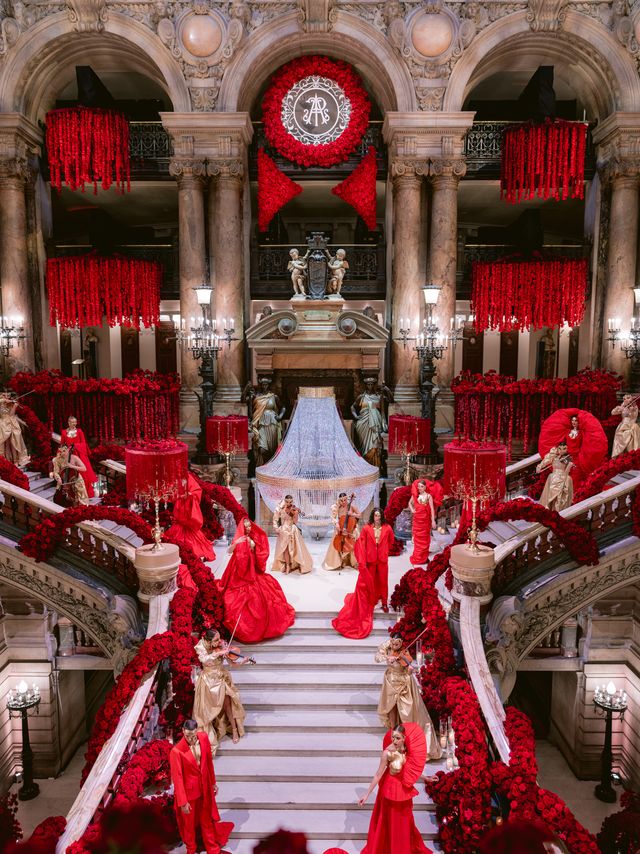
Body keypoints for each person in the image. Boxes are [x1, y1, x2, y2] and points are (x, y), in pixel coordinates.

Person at [358, 723, 431, 854]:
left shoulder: (407, 751)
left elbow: (410, 770)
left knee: (404, 822)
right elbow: (378, 774)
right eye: (393, 737)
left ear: (404, 738)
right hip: (390, 790)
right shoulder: (387, 753)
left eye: (397, 738)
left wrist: (426, 778)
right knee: (389, 822)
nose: (394, 741)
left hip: (404, 789)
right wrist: (367, 794)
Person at [220, 517, 295, 643]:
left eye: (249, 525)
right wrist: (237, 543)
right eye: (246, 526)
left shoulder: (252, 538)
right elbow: (229, 551)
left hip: (251, 570)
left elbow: (258, 553)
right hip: (238, 571)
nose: (249, 528)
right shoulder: (239, 538)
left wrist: (255, 547)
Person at [169, 719, 233, 854]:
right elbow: (177, 778)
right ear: (183, 731)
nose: (191, 739)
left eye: (193, 735)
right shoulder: (176, 752)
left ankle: (213, 849)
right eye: (187, 736)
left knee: (207, 821)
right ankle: (191, 850)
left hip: (204, 788)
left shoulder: (203, 738)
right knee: (189, 826)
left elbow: (208, 762)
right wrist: (183, 802)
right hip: (188, 795)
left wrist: (213, 782)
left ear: (197, 731)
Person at [375, 634, 440, 760]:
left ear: (401, 643)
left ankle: (409, 740)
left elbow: (408, 665)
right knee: (391, 708)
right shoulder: (387, 646)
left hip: (404, 683)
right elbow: (377, 657)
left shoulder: (404, 651)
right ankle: (393, 736)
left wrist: (411, 669)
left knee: (407, 712)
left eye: (398, 644)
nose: (395, 646)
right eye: (393, 643)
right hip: (390, 681)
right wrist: (387, 657)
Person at [193, 629, 248, 749]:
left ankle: (234, 730)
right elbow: (204, 659)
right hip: (208, 682)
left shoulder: (221, 646)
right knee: (207, 710)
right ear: (208, 640)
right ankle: (213, 732)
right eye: (216, 640)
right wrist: (218, 653)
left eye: (219, 638)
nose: (220, 642)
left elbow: (233, 664)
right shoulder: (200, 646)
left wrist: (242, 662)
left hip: (221, 679)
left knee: (228, 705)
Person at [165, 472, 216, 561]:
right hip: (179, 506)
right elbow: (168, 494)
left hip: (187, 506)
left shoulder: (187, 476)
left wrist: (189, 495)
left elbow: (196, 490)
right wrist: (177, 496)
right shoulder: (171, 476)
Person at [356, 508, 394, 612]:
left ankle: (385, 602)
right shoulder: (366, 528)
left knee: (383, 581)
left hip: (382, 559)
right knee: (370, 581)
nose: (378, 517)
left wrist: (385, 551)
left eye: (379, 515)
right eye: (376, 515)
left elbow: (391, 541)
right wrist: (363, 558)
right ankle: (371, 601)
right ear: (373, 516)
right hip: (370, 559)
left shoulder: (387, 528)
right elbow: (362, 544)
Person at [242, 377, 285, 466]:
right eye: (262, 384)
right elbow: (243, 400)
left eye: (266, 384)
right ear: (260, 385)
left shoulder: (273, 396)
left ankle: (271, 467)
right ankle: (261, 466)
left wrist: (280, 416)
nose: (264, 386)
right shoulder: (256, 396)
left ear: (268, 385)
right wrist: (246, 389)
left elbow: (283, 407)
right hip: (260, 423)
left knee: (273, 449)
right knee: (262, 448)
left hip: (273, 423)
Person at [351, 379, 393, 469]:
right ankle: (364, 466)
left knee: (375, 444)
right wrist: (355, 416)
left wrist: (387, 389)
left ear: (374, 385)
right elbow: (353, 407)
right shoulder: (361, 397)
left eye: (372, 384)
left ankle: (375, 467)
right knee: (363, 446)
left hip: (375, 424)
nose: (370, 386)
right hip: (363, 424)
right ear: (365, 385)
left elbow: (391, 400)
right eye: (368, 384)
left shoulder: (379, 397)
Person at [272, 495, 313, 574]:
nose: (289, 504)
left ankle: (293, 564)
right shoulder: (280, 508)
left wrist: (296, 514)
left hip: (292, 529)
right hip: (284, 530)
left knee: (295, 548)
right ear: (284, 500)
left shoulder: (294, 509)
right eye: (287, 502)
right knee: (285, 549)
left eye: (290, 502)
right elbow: (275, 518)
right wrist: (276, 528)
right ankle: (287, 565)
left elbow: (295, 522)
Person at [60, 415, 96, 498]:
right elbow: (62, 445)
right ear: (68, 423)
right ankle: (72, 493)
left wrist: (75, 446)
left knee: (83, 473)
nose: (74, 424)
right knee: (70, 473)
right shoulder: (64, 432)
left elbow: (84, 444)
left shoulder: (79, 431)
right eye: (72, 422)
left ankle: (85, 494)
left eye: (75, 422)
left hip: (79, 454)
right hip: (70, 455)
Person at [323, 492, 361, 571]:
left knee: (354, 538)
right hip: (341, 528)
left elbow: (359, 515)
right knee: (337, 541)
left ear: (347, 499)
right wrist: (336, 523)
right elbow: (333, 517)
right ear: (339, 501)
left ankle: (354, 562)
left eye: (345, 500)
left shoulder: (352, 506)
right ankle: (339, 561)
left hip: (350, 528)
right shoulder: (337, 507)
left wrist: (352, 514)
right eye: (341, 500)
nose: (343, 502)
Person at [408, 479, 442, 566]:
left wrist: (433, 520)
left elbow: (431, 509)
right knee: (417, 539)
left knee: (425, 539)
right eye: (418, 486)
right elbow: (410, 503)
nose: (420, 488)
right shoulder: (415, 495)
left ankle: (422, 557)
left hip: (425, 521)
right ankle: (417, 557)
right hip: (417, 520)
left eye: (422, 486)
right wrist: (412, 510)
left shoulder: (428, 496)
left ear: (425, 487)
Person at [536, 443, 574, 512]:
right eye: (560, 448)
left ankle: (558, 511)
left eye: (564, 449)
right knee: (550, 496)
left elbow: (566, 471)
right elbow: (546, 461)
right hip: (553, 477)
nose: (562, 451)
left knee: (560, 497)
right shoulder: (554, 457)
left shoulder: (568, 458)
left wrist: (569, 465)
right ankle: (549, 510)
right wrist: (540, 467)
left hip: (563, 477)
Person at [0, 392, 29, 467]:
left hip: (12, 423)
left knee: (14, 441)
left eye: (8, 395)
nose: (6, 397)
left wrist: (14, 406)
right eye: (4, 395)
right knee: (2, 442)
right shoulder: (1, 402)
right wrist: (4, 400)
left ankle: (15, 460)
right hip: (2, 424)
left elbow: (11, 414)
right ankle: (3, 460)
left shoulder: (11, 404)